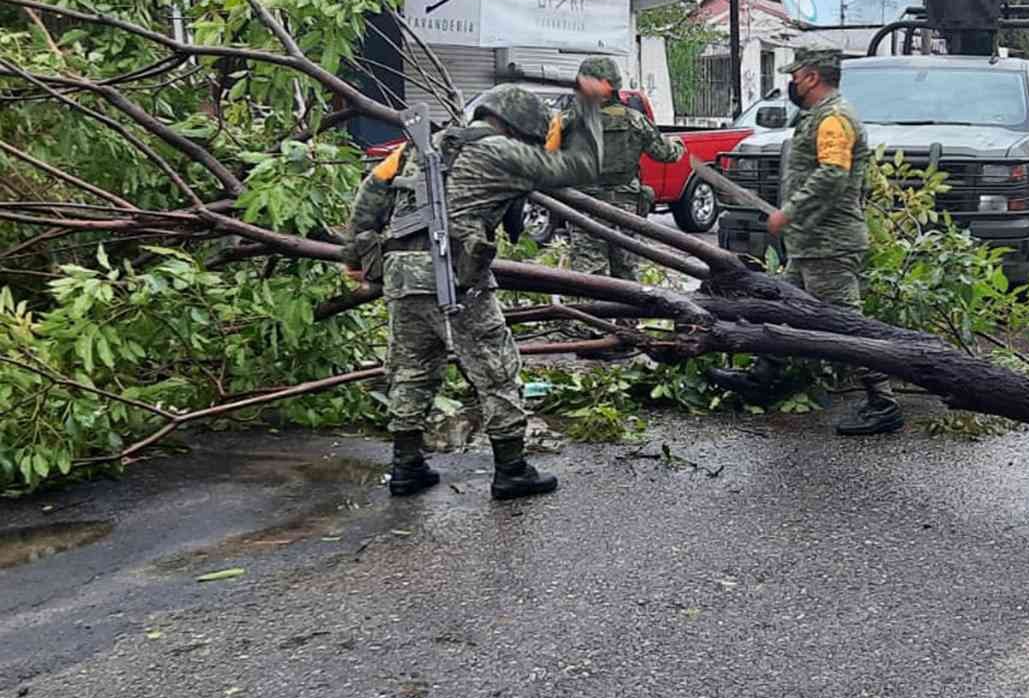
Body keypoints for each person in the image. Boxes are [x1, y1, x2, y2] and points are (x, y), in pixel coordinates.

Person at [342, 85, 597, 499]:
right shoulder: (502, 152)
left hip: (401, 273)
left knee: (412, 368)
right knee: (496, 369)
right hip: (455, 275)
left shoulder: (420, 146)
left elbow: (372, 189)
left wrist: (354, 255)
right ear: (518, 127)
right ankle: (512, 470)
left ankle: (406, 466)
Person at [707, 49, 903, 436]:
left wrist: (789, 212)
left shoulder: (833, 118)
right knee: (780, 306)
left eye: (795, 77)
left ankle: (884, 402)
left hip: (830, 243)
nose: (791, 84)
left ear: (812, 77)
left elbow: (832, 174)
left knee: (847, 324)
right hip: (813, 242)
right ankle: (763, 377)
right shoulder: (820, 116)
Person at [545, 56, 685, 280]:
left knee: (590, 279)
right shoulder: (634, 120)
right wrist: (678, 144)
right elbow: (666, 154)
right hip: (624, 209)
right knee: (627, 276)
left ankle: (593, 315)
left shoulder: (565, 120)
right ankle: (626, 316)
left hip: (585, 208)